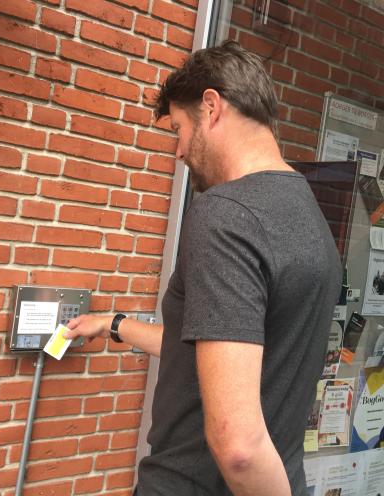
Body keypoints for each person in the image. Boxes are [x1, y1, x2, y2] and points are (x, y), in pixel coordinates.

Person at [64, 40, 342, 495]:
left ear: (211, 107)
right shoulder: (308, 214)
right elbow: (221, 349)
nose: (178, 151)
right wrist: (113, 324)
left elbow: (239, 447)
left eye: (178, 128)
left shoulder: (226, 212)